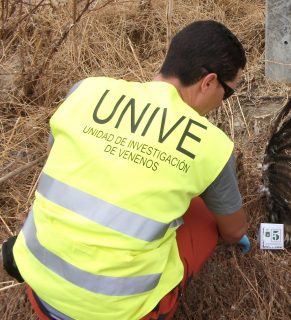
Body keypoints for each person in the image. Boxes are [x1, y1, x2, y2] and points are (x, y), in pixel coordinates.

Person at [1, 20, 250, 320]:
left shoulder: (85, 91)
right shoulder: (211, 145)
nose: (224, 102)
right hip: (120, 312)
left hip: (38, 286)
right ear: (209, 82)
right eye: (229, 92)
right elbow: (234, 231)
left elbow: (58, 159)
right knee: (205, 211)